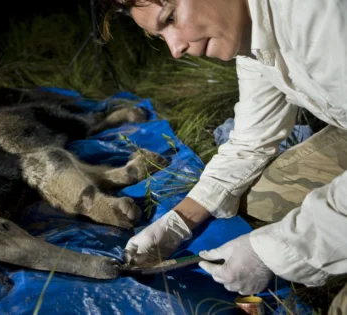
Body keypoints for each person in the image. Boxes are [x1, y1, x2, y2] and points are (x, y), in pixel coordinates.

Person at [100, 0, 347, 313]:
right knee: (264, 200)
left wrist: (276, 251)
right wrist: (178, 222)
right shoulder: (254, 39)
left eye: (172, 18)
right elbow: (250, 141)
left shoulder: (321, 16)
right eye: (161, 36)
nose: (175, 48)